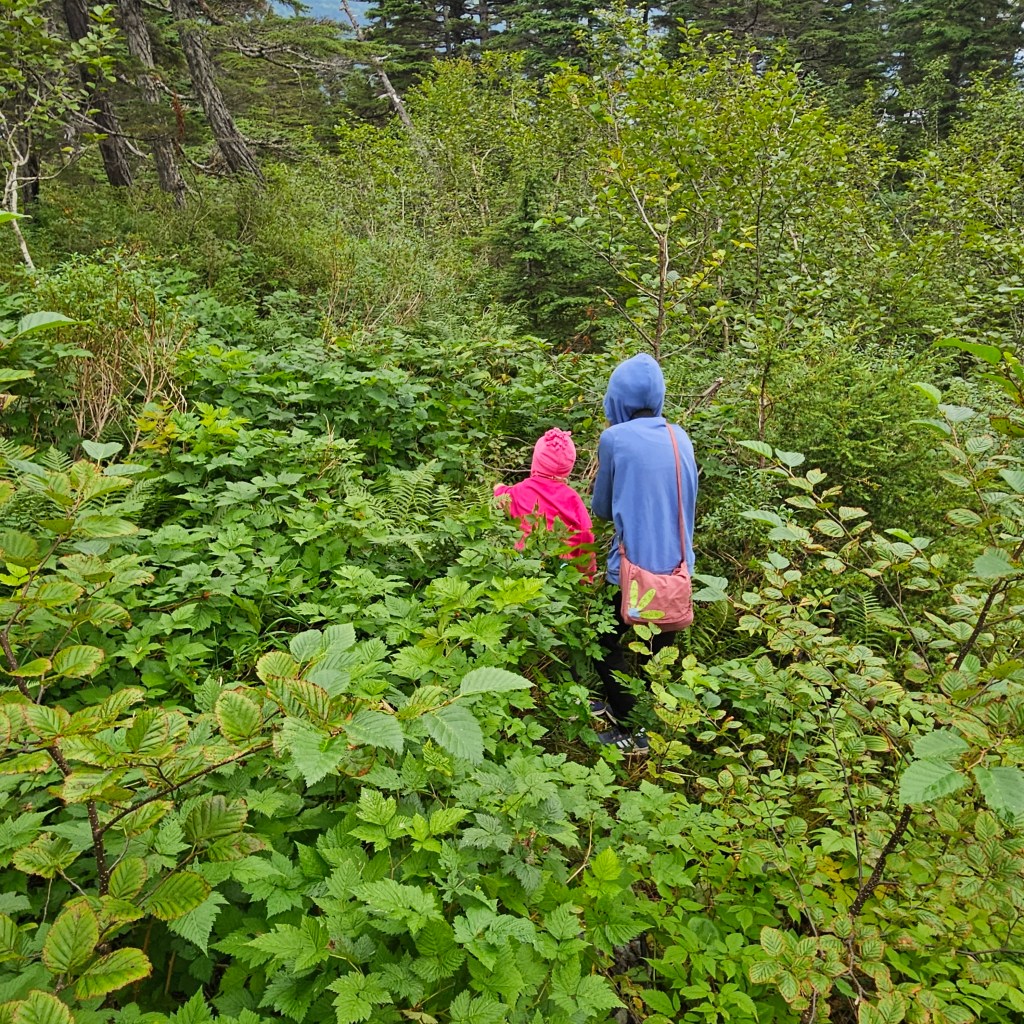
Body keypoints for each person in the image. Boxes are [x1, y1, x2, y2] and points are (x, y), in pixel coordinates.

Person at [591, 353, 698, 755]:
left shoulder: (614, 439)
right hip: (677, 572)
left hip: (632, 571)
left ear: (616, 397)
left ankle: (631, 728)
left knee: (602, 641)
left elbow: (602, 508)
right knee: (657, 657)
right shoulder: (679, 437)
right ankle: (654, 728)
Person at [494, 428, 597, 579]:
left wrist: (497, 487)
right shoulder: (573, 499)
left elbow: (501, 495)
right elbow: (587, 535)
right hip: (562, 572)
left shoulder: (521, 490)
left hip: (523, 568)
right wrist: (586, 577)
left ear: (536, 460)